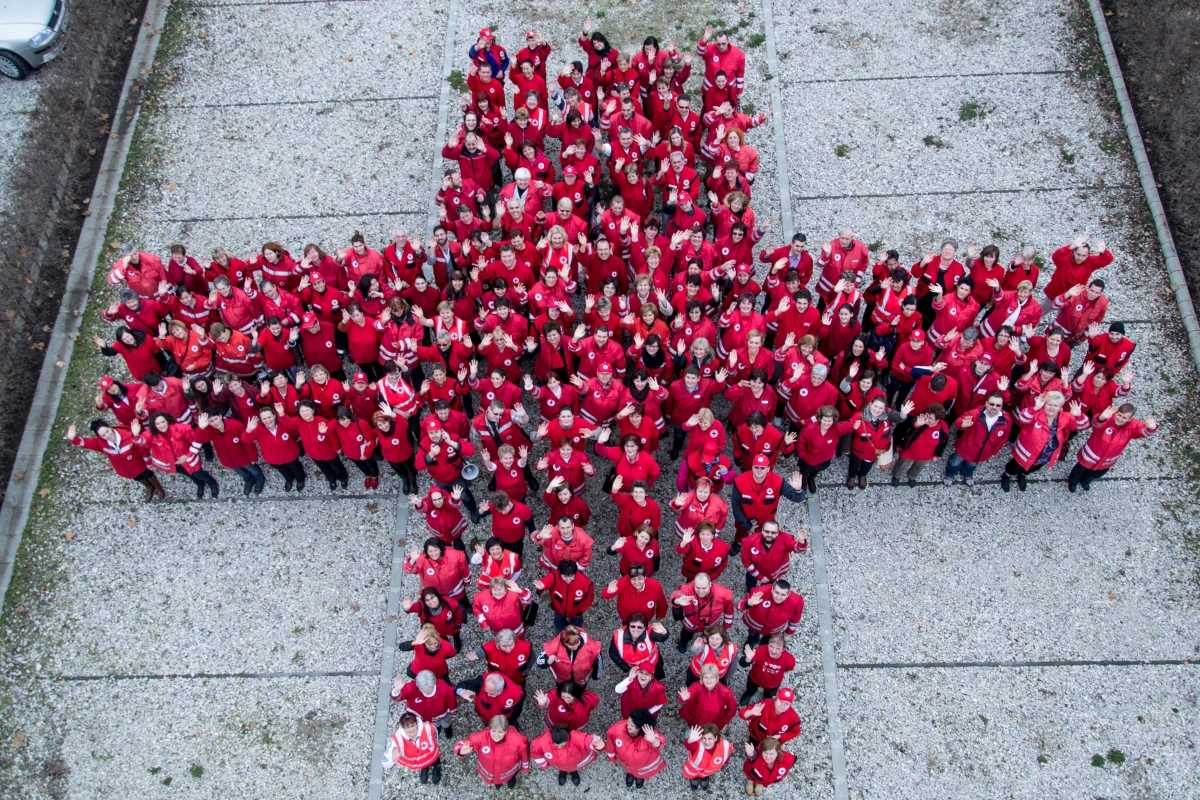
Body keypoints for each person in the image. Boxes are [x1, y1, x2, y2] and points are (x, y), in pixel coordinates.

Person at [1001, 391, 1087, 492]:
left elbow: (1082, 426)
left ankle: (1022, 474)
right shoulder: (1036, 414)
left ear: (1060, 408)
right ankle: (1007, 475)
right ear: (1044, 404)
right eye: (1049, 404)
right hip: (1026, 452)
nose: (1052, 407)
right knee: (1014, 466)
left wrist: (1078, 416)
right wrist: (1035, 408)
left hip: (1046, 455)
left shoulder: (1066, 417)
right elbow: (1022, 419)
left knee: (1034, 467)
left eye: (1055, 405)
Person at [66, 420, 164, 500]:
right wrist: (73, 438)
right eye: (103, 435)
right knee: (138, 478)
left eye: (107, 431)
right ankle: (149, 487)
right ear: (100, 437)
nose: (107, 436)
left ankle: (159, 488)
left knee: (149, 475)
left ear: (110, 428)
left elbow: (142, 449)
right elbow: (85, 443)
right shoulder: (100, 443)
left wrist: (148, 462)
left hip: (140, 465)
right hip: (125, 470)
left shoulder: (128, 436)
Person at [1068, 403, 1156, 492]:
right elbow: (1095, 425)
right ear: (1116, 412)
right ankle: (1072, 482)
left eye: (1124, 418)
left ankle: (1085, 481)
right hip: (1091, 455)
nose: (1120, 419)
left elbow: (1142, 432)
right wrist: (1101, 418)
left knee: (1097, 473)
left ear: (1130, 419)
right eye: (1119, 415)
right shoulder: (1108, 417)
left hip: (1107, 461)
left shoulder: (1133, 426)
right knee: (1079, 469)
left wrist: (1151, 428)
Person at [454, 715, 529, 790]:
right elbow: (464, 743)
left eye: (500, 732)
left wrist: (525, 768)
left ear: (505, 731)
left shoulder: (518, 741)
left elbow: (524, 755)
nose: (496, 735)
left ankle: (510, 782)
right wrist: (460, 750)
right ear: (489, 729)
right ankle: (498, 784)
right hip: (491, 774)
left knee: (511, 779)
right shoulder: (481, 737)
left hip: (510, 772)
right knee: (497, 784)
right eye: (493, 731)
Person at [605, 710, 667, 789]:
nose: (627, 725)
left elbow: (660, 741)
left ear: (641, 728)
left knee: (640, 773)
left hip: (642, 766)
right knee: (629, 770)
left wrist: (654, 740)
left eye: (632, 725)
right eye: (628, 721)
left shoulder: (649, 734)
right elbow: (610, 745)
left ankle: (639, 777)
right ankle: (631, 774)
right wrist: (612, 758)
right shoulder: (617, 730)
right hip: (627, 764)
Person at [530, 725, 604, 787]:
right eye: (557, 745)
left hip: (574, 765)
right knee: (563, 768)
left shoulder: (575, 737)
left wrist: (596, 742)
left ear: (568, 736)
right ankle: (563, 772)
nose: (560, 746)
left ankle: (573, 772)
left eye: (563, 743)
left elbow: (586, 740)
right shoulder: (543, 742)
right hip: (558, 765)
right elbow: (535, 752)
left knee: (573, 768)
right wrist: (544, 764)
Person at [382, 711, 441, 785]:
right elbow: (390, 753)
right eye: (407, 727)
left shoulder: (428, 728)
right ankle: (424, 768)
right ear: (403, 728)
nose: (410, 729)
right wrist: (393, 752)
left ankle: (436, 768)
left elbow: (436, 736)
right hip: (419, 761)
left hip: (431, 755)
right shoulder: (398, 737)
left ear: (417, 724)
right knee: (424, 765)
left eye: (412, 725)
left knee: (435, 761)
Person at [738, 635, 796, 705]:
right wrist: (748, 659)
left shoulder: (789, 660)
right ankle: (748, 694)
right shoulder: (760, 650)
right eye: (771, 646)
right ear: (768, 644)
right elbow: (742, 664)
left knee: (769, 697)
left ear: (783, 649)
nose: (774, 651)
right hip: (754, 678)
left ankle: (767, 702)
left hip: (773, 684)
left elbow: (788, 668)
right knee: (750, 689)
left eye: (778, 648)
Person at [678, 663, 737, 729]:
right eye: (706, 677)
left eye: (712, 677)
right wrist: (683, 698)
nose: (709, 680)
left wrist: (726, 721)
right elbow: (687, 694)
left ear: (717, 678)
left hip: (714, 722)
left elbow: (732, 708)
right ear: (702, 678)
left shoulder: (725, 692)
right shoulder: (696, 686)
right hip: (696, 719)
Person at [682, 723, 733, 793]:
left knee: (705, 775)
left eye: (710, 739)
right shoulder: (697, 744)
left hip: (708, 772)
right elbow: (689, 746)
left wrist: (725, 762)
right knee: (694, 775)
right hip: (694, 770)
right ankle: (695, 778)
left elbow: (727, 753)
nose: (706, 742)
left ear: (715, 738)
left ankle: (704, 778)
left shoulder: (724, 745)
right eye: (704, 738)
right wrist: (690, 740)